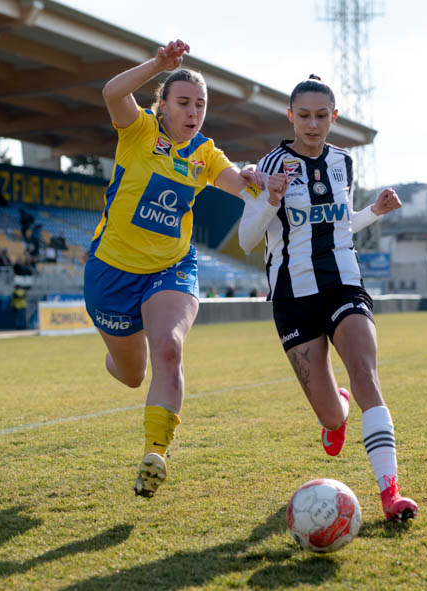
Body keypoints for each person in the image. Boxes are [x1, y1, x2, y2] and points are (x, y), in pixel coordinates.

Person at [85, 39, 268, 498]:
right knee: (132, 374)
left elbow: (238, 185)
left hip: (171, 268)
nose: (193, 112)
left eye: (201, 105)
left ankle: (155, 454)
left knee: (168, 348)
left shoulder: (205, 153)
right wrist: (158, 65)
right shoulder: (139, 130)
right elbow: (111, 93)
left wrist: (255, 179)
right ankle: (117, 356)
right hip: (111, 271)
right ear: (162, 105)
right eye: (184, 102)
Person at [238, 75, 417, 522]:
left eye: (322, 116)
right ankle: (334, 408)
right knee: (335, 418)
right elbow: (245, 240)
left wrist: (373, 213)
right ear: (290, 116)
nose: (313, 125)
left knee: (366, 374)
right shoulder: (269, 166)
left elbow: (339, 224)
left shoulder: (344, 163)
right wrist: (269, 199)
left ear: (334, 117)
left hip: (344, 283)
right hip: (293, 297)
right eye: (304, 116)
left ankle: (390, 494)